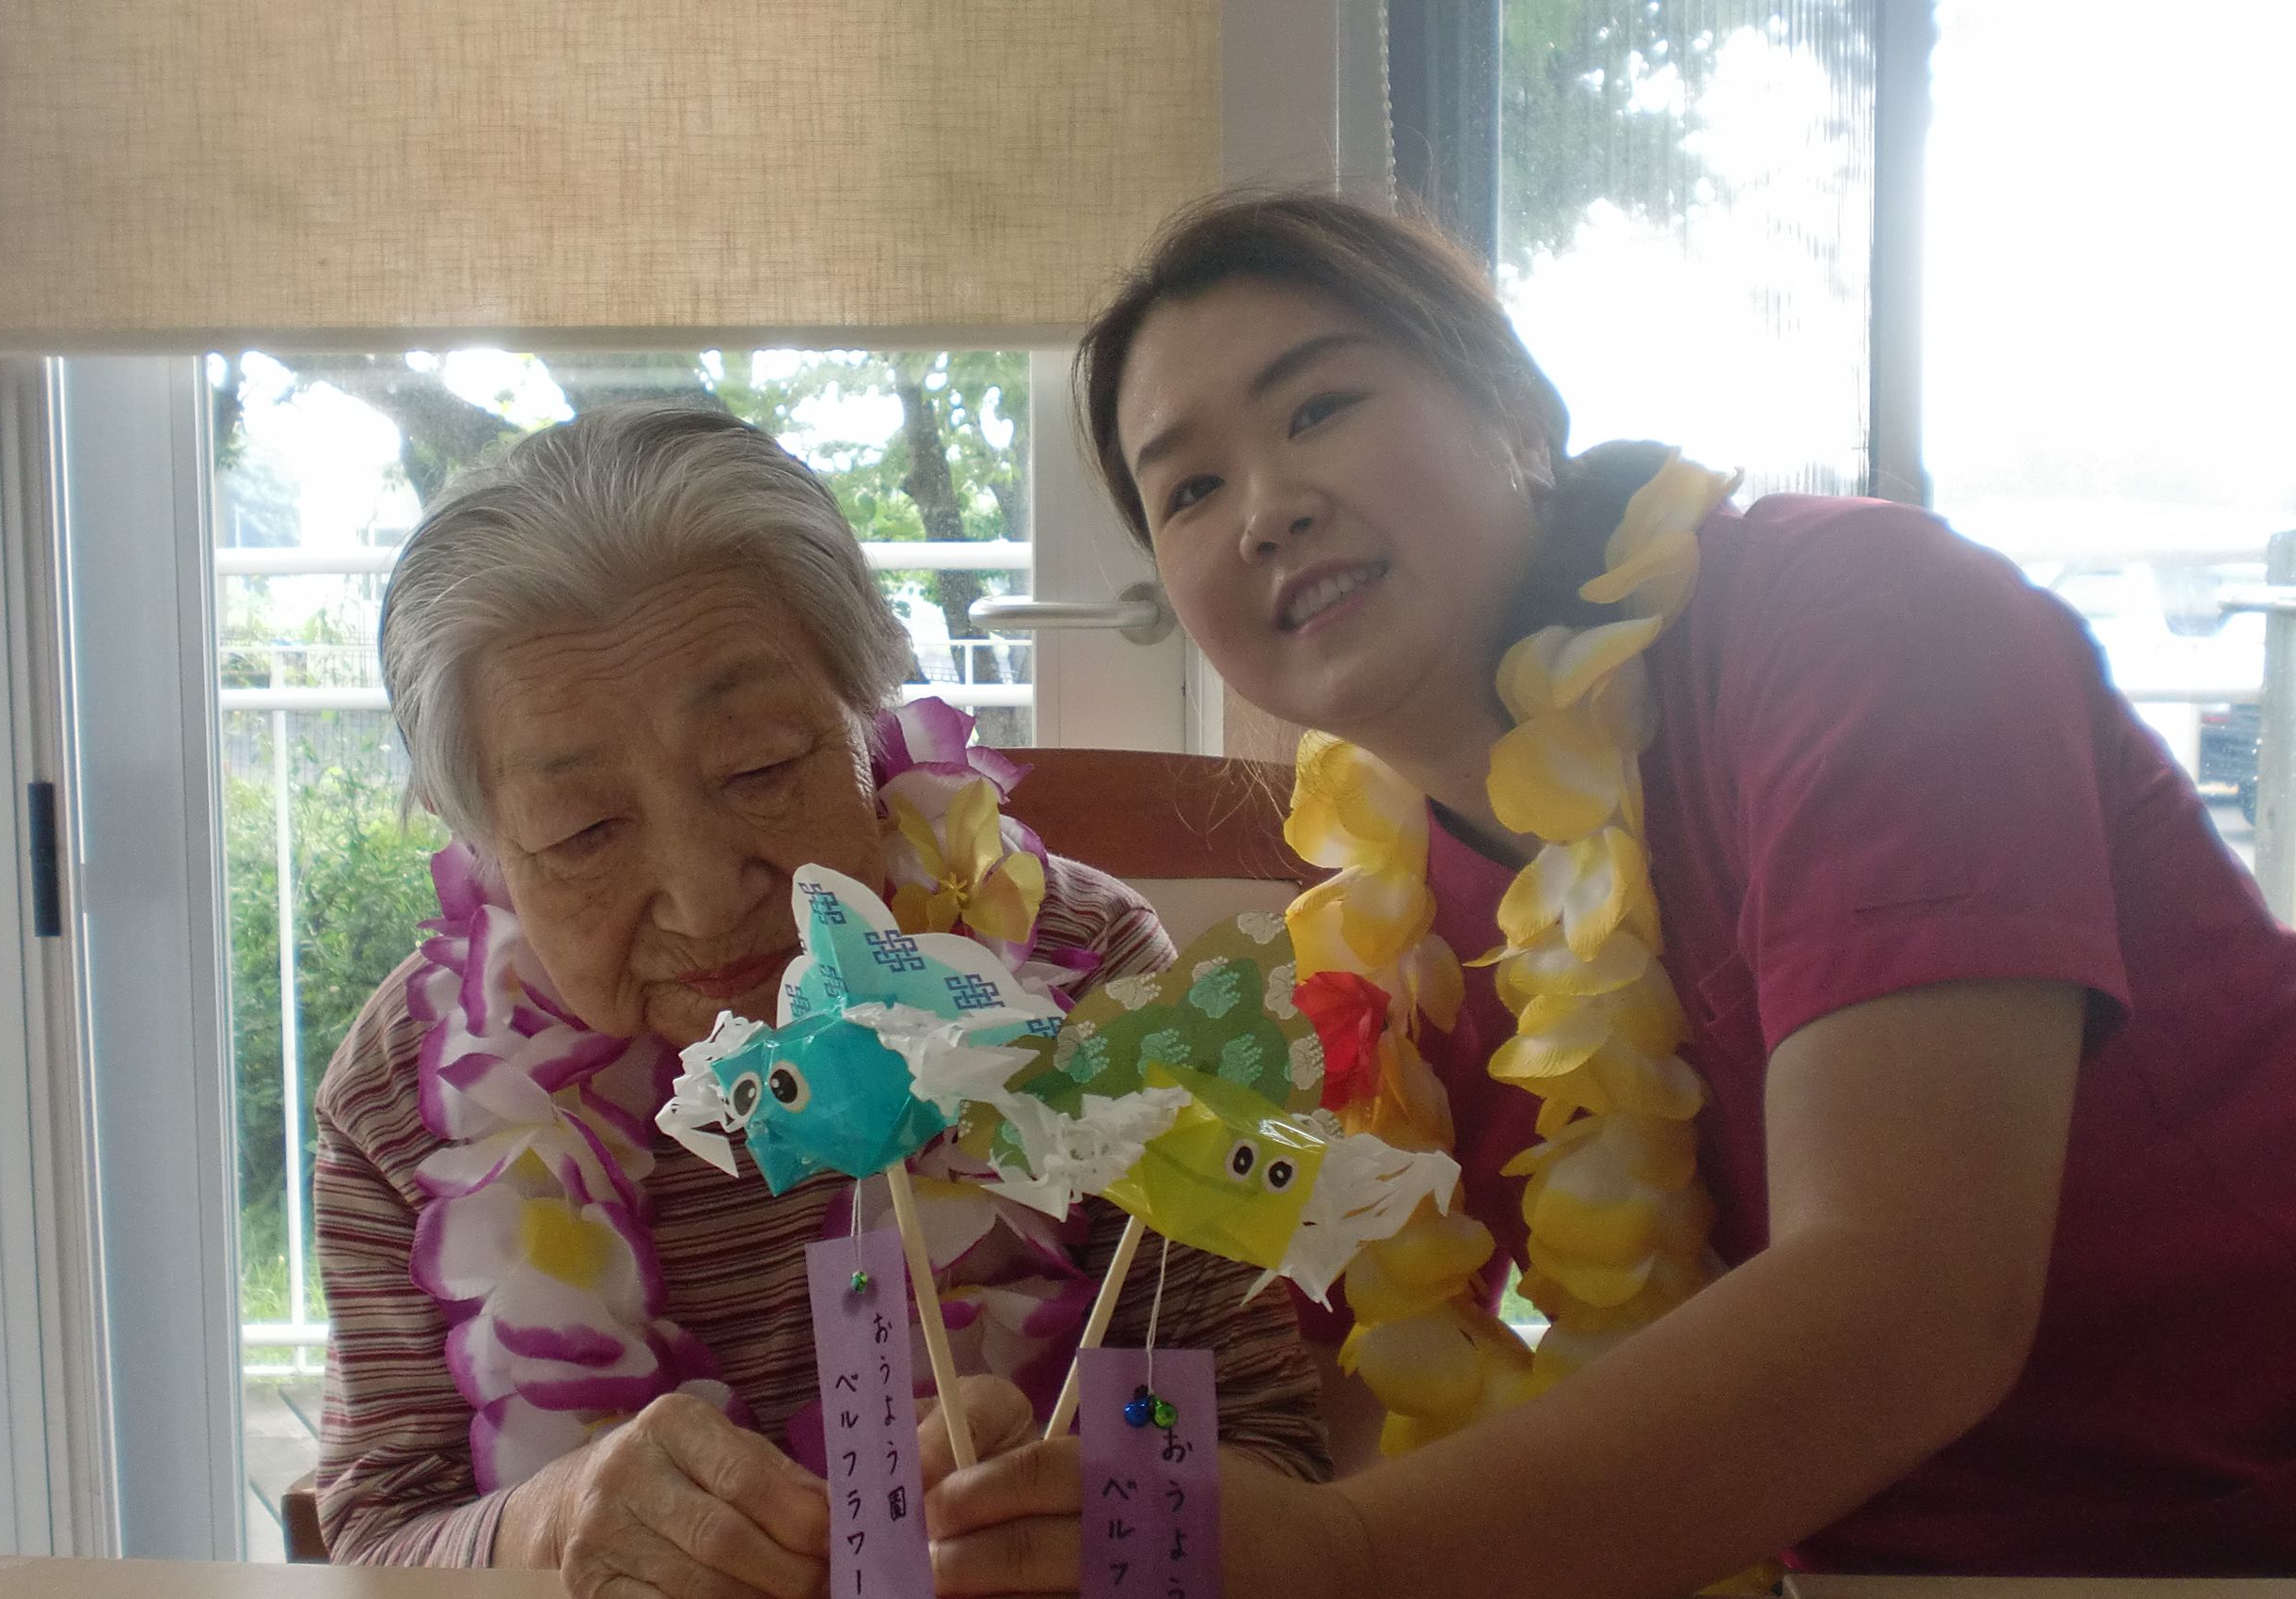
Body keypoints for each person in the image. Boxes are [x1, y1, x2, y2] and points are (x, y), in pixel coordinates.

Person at [923, 192, 2296, 1594]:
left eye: (1319, 407)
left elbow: (1914, 1294)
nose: (1268, 510)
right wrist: (1045, 1502)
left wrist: (1343, 1558)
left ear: (1519, 412)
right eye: (1190, 490)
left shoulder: (1860, 621)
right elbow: (1335, 1401)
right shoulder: (1388, 929)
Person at [310, 403, 1328, 1592]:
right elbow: (379, 1527)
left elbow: (1266, 1442)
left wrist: (1100, 1515)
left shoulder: (1085, 971)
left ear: (866, 710)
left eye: (759, 767)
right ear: (482, 839)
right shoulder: (407, 1090)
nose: (705, 897)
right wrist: (550, 1521)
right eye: (582, 828)